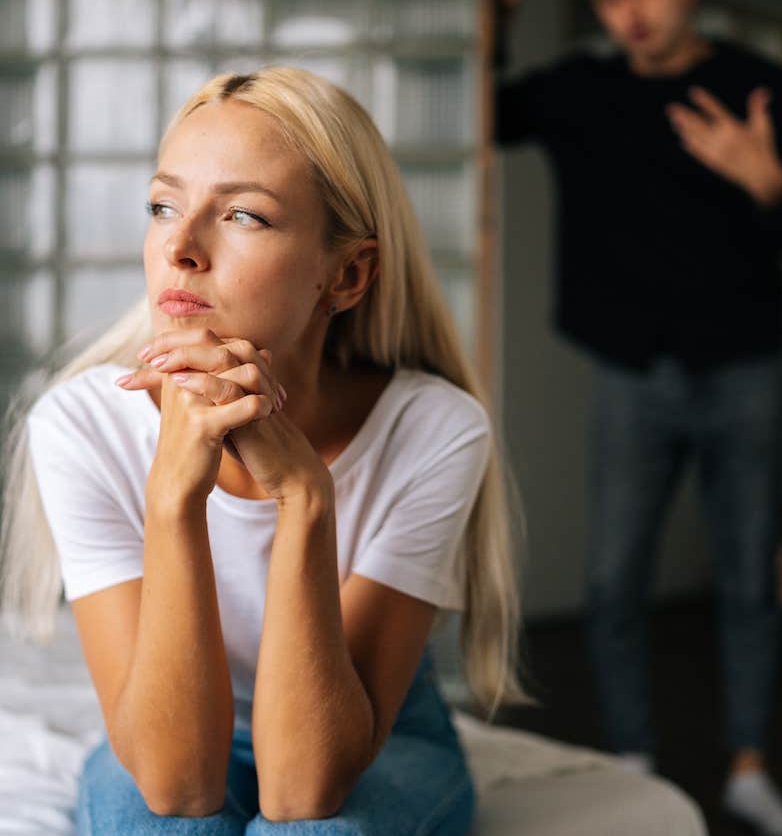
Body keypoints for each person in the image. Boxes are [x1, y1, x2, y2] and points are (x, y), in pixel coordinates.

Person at [0, 66, 531, 834]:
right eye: (162, 205)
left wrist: (307, 499)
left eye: (244, 215)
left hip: (369, 740)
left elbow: (303, 790)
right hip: (169, 729)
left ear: (345, 274)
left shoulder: (433, 429)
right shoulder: (81, 424)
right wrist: (174, 496)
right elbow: (178, 784)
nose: (180, 247)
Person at [479, 0, 782, 836]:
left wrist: (763, 177)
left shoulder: (759, 86)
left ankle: (750, 769)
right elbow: (486, 112)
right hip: (634, 375)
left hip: (749, 369)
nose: (629, 12)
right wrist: (493, 8)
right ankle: (635, 762)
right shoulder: (583, 90)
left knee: (751, 580)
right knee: (610, 582)